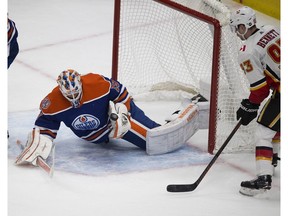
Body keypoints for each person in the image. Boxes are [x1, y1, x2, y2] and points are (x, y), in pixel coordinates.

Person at [15, 69, 161, 166]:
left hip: (112, 120)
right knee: (150, 138)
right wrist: (41, 140)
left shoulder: (97, 83)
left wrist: (124, 112)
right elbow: (46, 123)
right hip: (92, 135)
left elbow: (121, 93)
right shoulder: (53, 101)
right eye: (68, 94)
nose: (73, 96)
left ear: (80, 83)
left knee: (131, 123)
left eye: (75, 92)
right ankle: (156, 137)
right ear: (60, 90)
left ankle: (157, 131)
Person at [230, 6, 280, 196]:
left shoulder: (246, 51)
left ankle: (263, 179)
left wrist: (250, 105)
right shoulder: (271, 29)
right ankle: (271, 160)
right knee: (273, 125)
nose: (237, 33)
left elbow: (259, 89)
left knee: (262, 132)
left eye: (239, 28)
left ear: (247, 25)